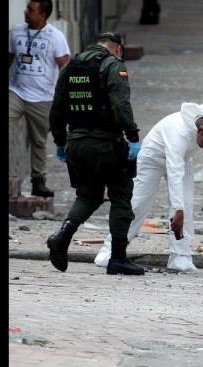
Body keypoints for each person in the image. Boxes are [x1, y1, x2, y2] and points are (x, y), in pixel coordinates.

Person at [46, 32, 145, 276]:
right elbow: (121, 105)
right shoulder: (112, 64)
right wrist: (132, 137)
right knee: (121, 196)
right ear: (118, 49)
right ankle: (118, 259)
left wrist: (60, 141)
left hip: (76, 144)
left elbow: (56, 108)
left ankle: (63, 235)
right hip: (106, 144)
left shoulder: (71, 65)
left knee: (88, 196)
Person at [94, 102, 203, 273]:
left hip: (183, 160)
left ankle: (180, 256)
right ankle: (110, 251)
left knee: (187, 204)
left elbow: (182, 169)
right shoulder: (179, 133)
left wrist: (181, 208)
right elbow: (174, 173)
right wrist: (177, 210)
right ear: (200, 130)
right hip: (153, 157)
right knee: (138, 204)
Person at [9, 0, 70, 198]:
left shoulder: (55, 37)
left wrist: (64, 98)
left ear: (42, 15)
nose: (26, 12)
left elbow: (65, 68)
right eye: (26, 8)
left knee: (38, 141)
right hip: (16, 92)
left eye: (30, 10)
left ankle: (38, 181)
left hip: (43, 97)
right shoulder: (16, 32)